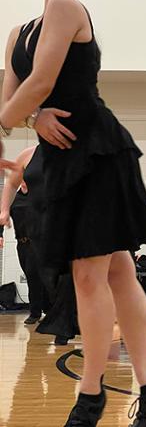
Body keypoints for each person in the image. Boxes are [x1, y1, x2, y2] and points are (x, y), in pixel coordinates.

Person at [0, 0, 146, 424]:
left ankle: (91, 396)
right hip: (61, 161)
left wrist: (23, 113)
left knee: (88, 279)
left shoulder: (66, 6)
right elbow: (14, 98)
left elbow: (38, 83)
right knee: (118, 272)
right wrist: (32, 116)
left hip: (96, 153)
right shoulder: (19, 30)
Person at [0, 145, 78, 345]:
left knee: (65, 279)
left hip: (64, 227)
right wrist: (4, 212)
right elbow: (10, 184)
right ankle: (53, 316)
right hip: (33, 235)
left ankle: (63, 327)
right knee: (41, 277)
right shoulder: (27, 154)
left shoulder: (75, 151)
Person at [0, 150, 50, 325]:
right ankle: (35, 312)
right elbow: (2, 215)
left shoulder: (38, 196)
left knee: (48, 277)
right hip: (23, 243)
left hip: (42, 241)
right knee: (31, 276)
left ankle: (50, 311)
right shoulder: (15, 198)